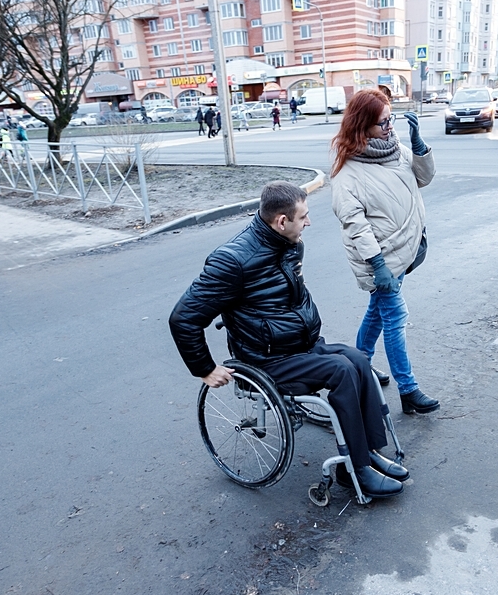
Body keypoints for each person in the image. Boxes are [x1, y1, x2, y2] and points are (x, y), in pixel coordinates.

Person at [169, 182, 409, 498]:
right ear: (282, 221)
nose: (309, 222)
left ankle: (370, 452)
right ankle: (355, 469)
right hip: (267, 359)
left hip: (300, 346)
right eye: (304, 217)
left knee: (359, 360)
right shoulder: (232, 261)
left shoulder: (291, 243)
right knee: (342, 371)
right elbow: (183, 318)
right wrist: (204, 368)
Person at [330, 89, 440, 416]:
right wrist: (377, 265)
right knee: (395, 317)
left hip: (403, 251)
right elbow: (355, 225)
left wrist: (419, 147)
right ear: (363, 126)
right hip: (381, 260)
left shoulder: (394, 149)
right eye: (383, 122)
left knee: (377, 312)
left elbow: (424, 177)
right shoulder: (347, 173)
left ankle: (359, 365)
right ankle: (408, 391)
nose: (389, 127)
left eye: (390, 119)